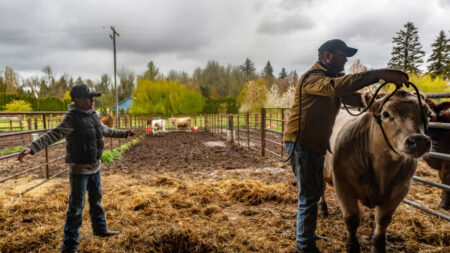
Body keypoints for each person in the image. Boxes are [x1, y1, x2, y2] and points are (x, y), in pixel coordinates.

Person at [283, 39, 409, 253]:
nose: (346, 60)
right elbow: (335, 88)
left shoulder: (330, 80)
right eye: (343, 55)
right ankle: (304, 246)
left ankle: (306, 237)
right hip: (302, 142)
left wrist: (381, 103)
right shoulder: (312, 79)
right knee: (310, 195)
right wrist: (379, 74)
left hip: (314, 143)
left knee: (313, 192)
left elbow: (355, 98)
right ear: (327, 56)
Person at [18, 84, 136, 253]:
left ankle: (100, 229)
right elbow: (54, 133)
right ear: (78, 100)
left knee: (96, 200)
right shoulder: (72, 118)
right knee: (76, 207)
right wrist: (32, 147)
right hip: (79, 169)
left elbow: (105, 130)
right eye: (89, 98)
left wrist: (125, 133)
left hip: (95, 166)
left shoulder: (94, 115)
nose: (93, 101)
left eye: (93, 97)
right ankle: (69, 246)